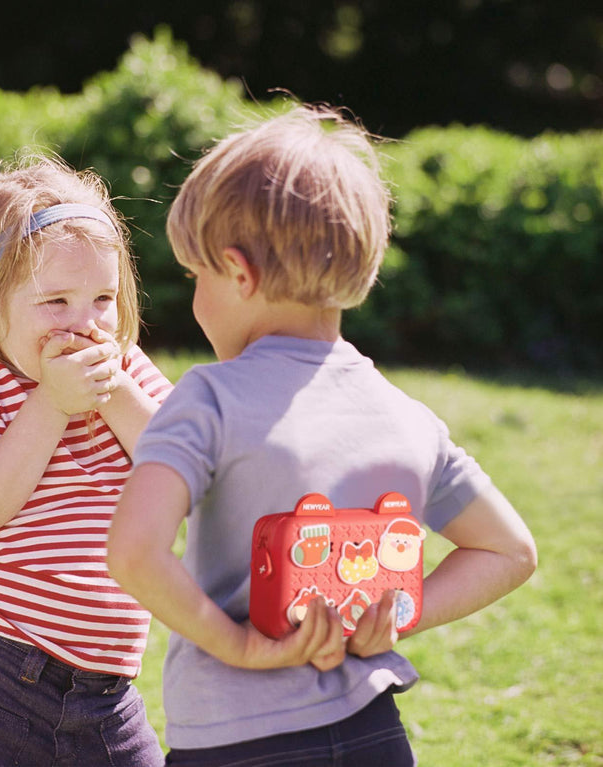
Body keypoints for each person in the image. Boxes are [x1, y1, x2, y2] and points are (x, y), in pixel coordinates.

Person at [107, 104, 538, 766]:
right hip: (373, 734)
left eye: (195, 277)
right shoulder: (405, 415)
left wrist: (239, 644)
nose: (194, 300)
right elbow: (509, 550)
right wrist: (394, 616)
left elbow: (135, 553)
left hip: (236, 742)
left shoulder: (208, 398)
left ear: (237, 272)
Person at [0, 155, 172, 767]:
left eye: (103, 298)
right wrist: (50, 405)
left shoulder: (126, 371)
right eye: (56, 302)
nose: (85, 323)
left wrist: (116, 390)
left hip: (105, 696)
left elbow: (187, 469)